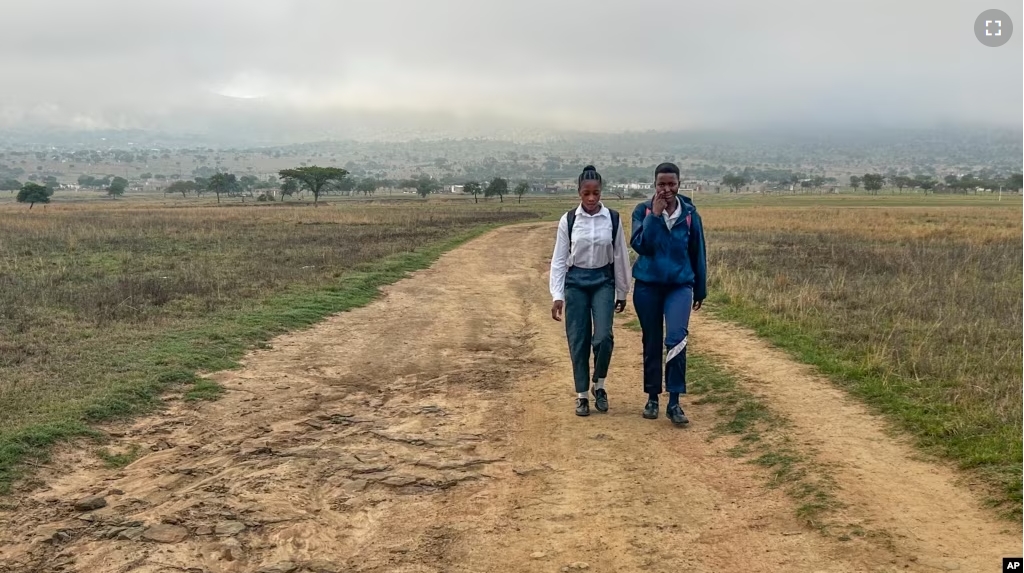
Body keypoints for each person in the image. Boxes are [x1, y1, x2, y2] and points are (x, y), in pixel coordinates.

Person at [629, 162, 707, 426]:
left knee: (676, 339)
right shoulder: (642, 211)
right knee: (651, 341)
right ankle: (652, 398)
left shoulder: (689, 213)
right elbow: (641, 246)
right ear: (654, 185)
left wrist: (700, 288)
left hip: (679, 286)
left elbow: (698, 252)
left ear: (679, 184)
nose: (666, 189)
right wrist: (654, 216)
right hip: (648, 286)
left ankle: (674, 402)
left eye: (671, 184)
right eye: (661, 184)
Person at [550, 165, 632, 417]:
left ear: (601, 192)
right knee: (579, 338)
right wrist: (558, 295)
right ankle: (582, 395)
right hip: (575, 282)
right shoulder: (569, 220)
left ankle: (600, 385)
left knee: (603, 337)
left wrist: (622, 291)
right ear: (579, 193)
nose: (592, 199)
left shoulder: (613, 219)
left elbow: (620, 257)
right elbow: (559, 259)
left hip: (602, 281)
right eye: (586, 193)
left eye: (596, 193)